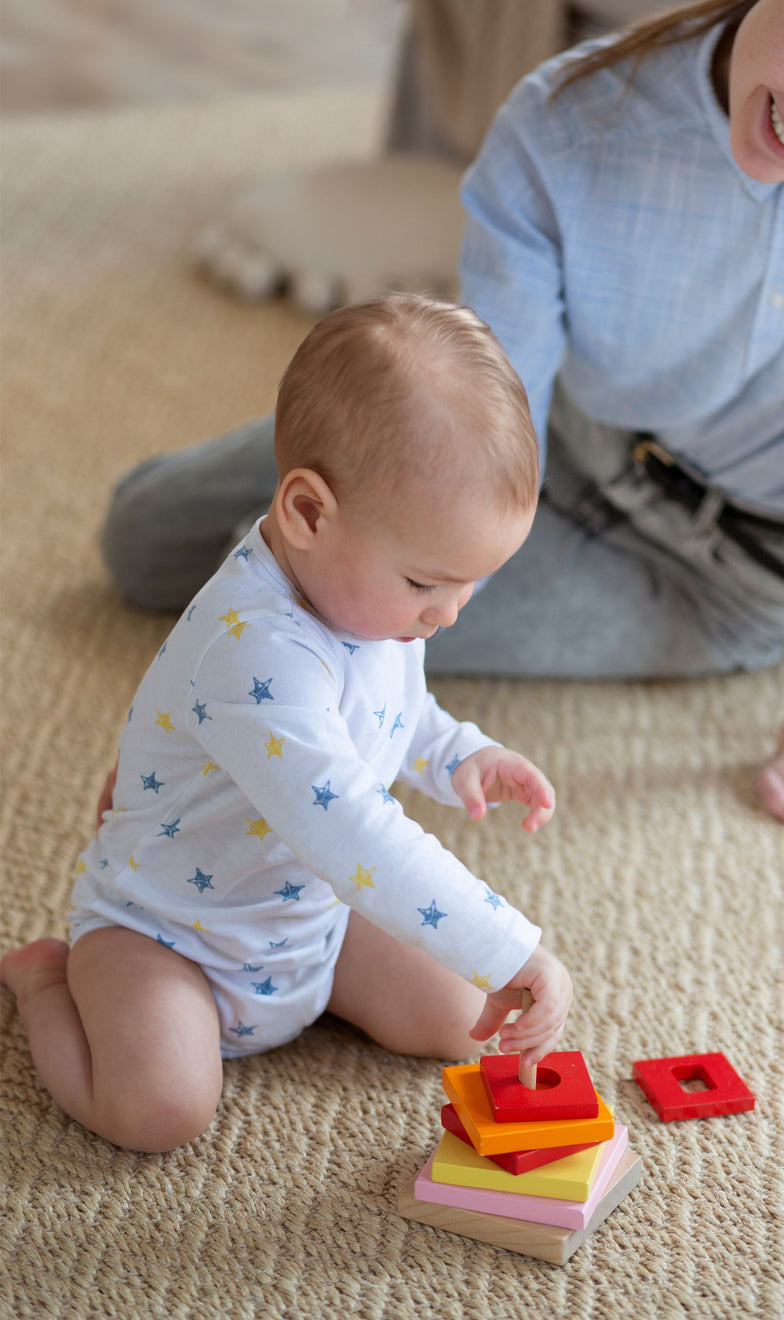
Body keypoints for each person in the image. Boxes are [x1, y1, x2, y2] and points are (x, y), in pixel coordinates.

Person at [101, 0, 784, 863]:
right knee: (146, 540)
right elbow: (486, 412)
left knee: (297, 606)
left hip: (727, 573)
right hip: (547, 456)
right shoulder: (570, 121)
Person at [0, 295, 573, 1153]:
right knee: (159, 1111)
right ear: (307, 512)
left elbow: (390, 711)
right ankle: (48, 979)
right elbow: (352, 827)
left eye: (467, 586)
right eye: (427, 583)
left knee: (462, 1018)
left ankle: (318, 990)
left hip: (310, 915)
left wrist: (460, 752)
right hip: (169, 934)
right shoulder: (252, 650)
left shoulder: (366, 599)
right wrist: (511, 948)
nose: (448, 614)